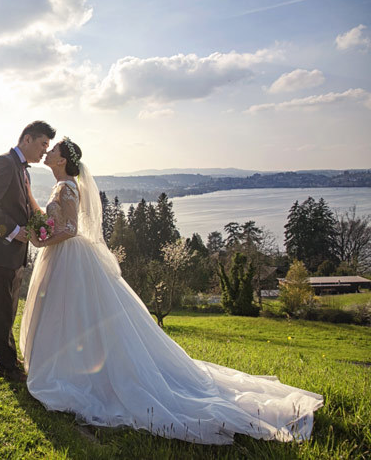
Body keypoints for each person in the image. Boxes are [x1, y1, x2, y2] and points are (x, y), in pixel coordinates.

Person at [19, 138, 323, 444]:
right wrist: (34, 207)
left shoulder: (68, 186)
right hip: (65, 256)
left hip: (69, 256)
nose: (49, 151)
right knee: (72, 314)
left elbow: (70, 229)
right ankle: (71, 365)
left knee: (73, 313)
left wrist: (42, 240)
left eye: (54, 148)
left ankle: (73, 371)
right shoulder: (66, 185)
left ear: (62, 160)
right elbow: (58, 222)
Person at [0, 120, 56, 381]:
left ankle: (7, 358)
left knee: (9, 309)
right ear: (27, 139)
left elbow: (23, 207)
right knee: (0, 309)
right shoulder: (3, 163)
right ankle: (6, 366)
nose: (44, 151)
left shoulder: (24, 171)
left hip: (16, 253)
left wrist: (40, 225)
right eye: (43, 144)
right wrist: (13, 231)